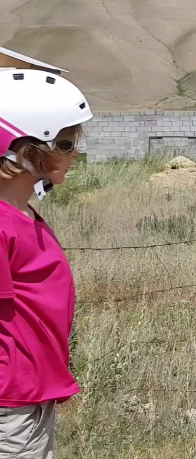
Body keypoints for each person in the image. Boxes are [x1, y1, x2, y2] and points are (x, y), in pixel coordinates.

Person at [0, 68, 94, 458]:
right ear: (26, 153)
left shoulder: (23, 213)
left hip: (30, 394)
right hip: (11, 402)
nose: (76, 154)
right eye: (67, 143)